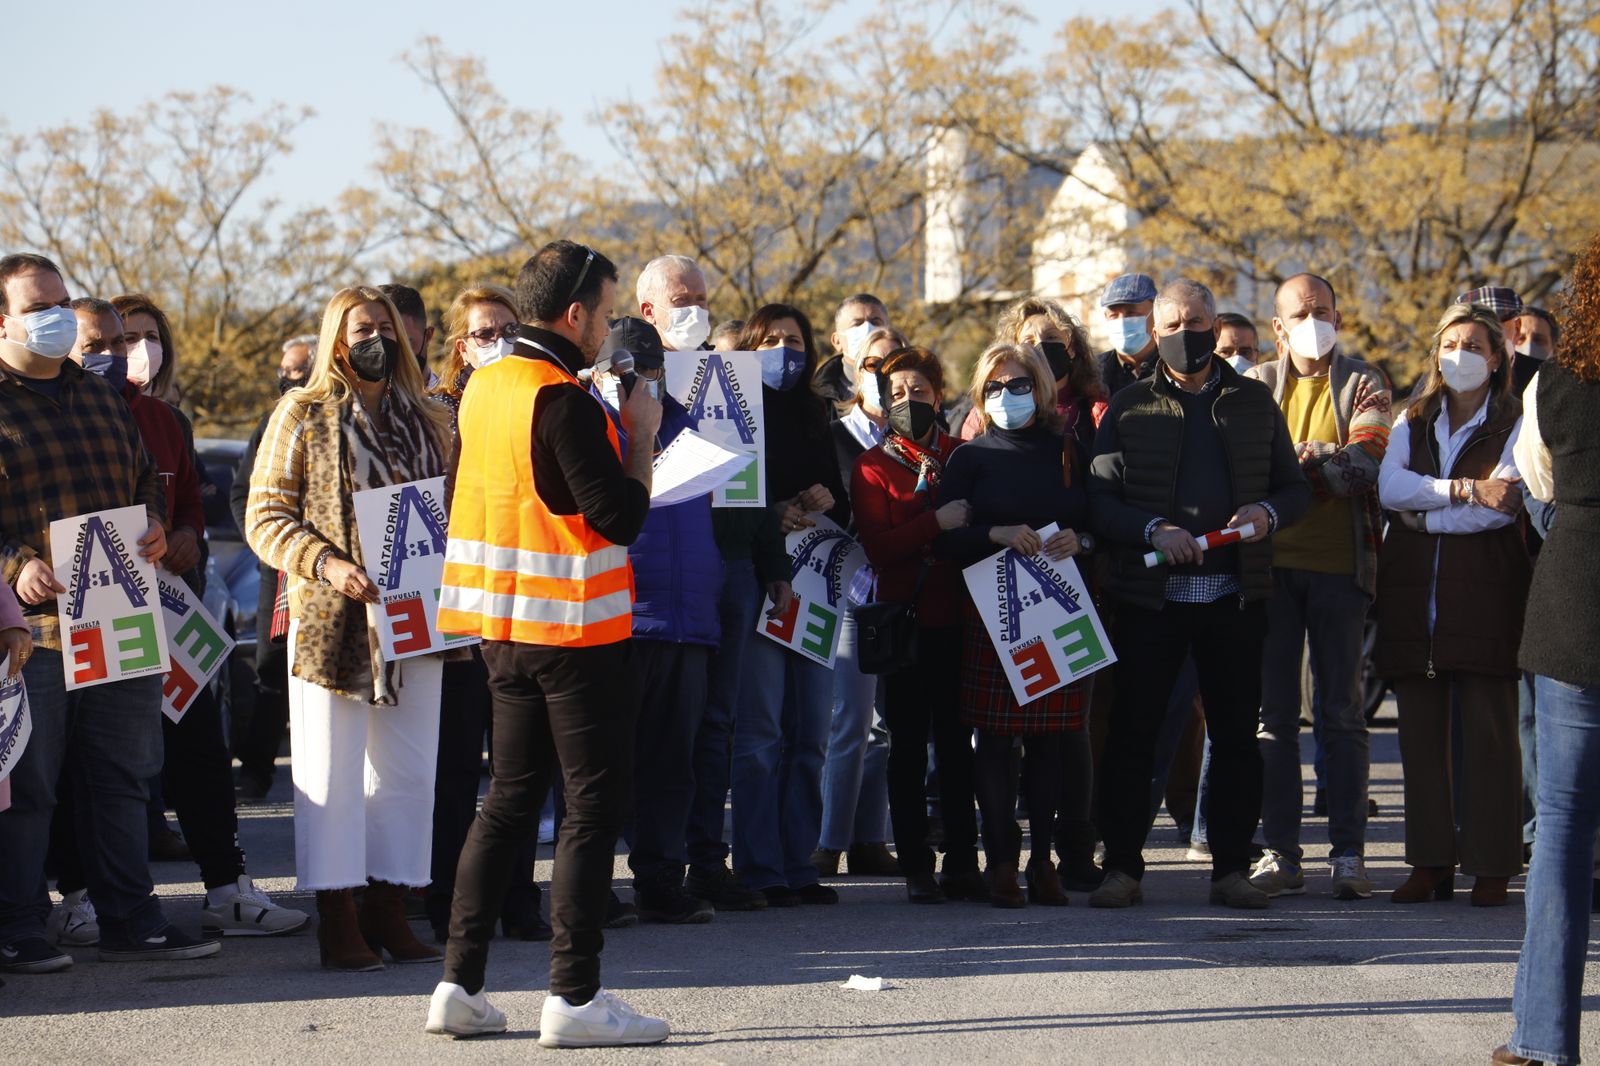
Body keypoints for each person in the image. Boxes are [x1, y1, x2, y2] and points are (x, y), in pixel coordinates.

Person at [428, 241, 669, 1047]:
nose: (607, 327)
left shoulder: (486, 385)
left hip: (500, 630)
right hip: (573, 631)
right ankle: (575, 996)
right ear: (574, 314)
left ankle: (459, 984)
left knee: (505, 802)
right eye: (604, 312)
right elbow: (619, 517)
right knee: (590, 808)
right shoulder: (557, 396)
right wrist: (638, 434)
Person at [50, 298, 308, 942]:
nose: (125, 352)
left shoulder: (166, 419)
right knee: (87, 760)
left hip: (172, 606)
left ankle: (227, 889)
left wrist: (186, 531)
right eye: (109, 340)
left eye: (138, 339)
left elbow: (187, 499)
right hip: (90, 615)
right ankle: (79, 896)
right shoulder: (66, 415)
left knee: (199, 748)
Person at [0, 254, 220, 972]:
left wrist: (154, 524)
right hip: (32, 636)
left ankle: (133, 916)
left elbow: (138, 486)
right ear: (2, 321)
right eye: (38, 306)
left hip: (118, 618)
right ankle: (20, 926)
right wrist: (13, 565)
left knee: (123, 774)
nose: (56, 315)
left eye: (61, 301)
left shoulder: (99, 398)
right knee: (29, 785)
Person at [246, 284, 452, 971]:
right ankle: (337, 916)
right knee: (330, 771)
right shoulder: (301, 413)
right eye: (364, 328)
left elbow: (453, 507)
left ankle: (390, 910)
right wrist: (327, 565)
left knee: (407, 771)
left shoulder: (428, 417)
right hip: (332, 620)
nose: (379, 340)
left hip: (415, 614)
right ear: (337, 337)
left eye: (388, 328)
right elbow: (265, 518)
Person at [1088, 277, 1310, 911]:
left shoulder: (1253, 402)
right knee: (1134, 733)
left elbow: (1293, 489)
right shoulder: (1128, 407)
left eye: (1198, 321)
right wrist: (1153, 529)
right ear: (1154, 334)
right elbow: (1100, 503)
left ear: (1215, 325)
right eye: (1175, 325)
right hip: (1149, 600)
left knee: (1238, 737)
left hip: (1234, 598)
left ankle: (1231, 869)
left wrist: (1269, 512)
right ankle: (1122, 868)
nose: (1188, 334)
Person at [1244, 273, 1393, 901]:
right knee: (1273, 718)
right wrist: (1316, 460)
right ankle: (1279, 852)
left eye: (1324, 310)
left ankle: (1349, 853)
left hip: (1341, 569)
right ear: (1277, 326)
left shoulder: (1367, 382)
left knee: (1342, 713)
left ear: (1340, 315)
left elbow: (1366, 463)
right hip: (1267, 571)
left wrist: (1293, 473)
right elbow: (1239, 469)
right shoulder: (1252, 386)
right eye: (1301, 313)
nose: (1314, 320)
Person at [1376, 301, 1529, 908]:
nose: (1459, 355)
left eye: (1473, 346)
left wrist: (1423, 515)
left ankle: (1492, 865)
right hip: (1413, 598)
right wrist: (1460, 489)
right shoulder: (1412, 419)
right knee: (1419, 736)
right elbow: (1390, 489)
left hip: (1487, 593)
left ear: (1497, 360)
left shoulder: (1518, 419)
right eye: (1450, 344)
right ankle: (1431, 863)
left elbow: (1503, 508)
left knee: (1491, 737)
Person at [936, 342, 1095, 908]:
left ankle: (1044, 861)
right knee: (997, 741)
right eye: (996, 387)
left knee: (1052, 739)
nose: (1007, 396)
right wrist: (994, 534)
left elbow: (1095, 521)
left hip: (1058, 608)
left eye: (1019, 384)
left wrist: (1082, 541)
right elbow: (946, 538)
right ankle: (1000, 860)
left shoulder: (1069, 449)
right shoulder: (969, 458)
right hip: (993, 610)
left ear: (1043, 388)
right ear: (982, 393)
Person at [1495, 231, 1600, 1066]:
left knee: (1562, 827)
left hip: (1575, 611)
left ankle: (1542, 1040)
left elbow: (1540, 488)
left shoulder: (1554, 390)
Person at [423, 285, 546, 944]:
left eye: (507, 330)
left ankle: (519, 898)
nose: (496, 341)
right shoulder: (440, 413)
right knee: (453, 767)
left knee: (519, 764)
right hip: (456, 607)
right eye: (482, 332)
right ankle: (447, 897)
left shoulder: (540, 402)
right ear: (460, 345)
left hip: (526, 603)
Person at [590, 317, 721, 925]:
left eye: (651, 370)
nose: (642, 382)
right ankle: (591, 883)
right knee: (605, 762)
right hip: (618, 617)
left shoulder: (688, 424)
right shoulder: (589, 424)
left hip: (685, 620)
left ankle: (661, 880)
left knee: (674, 760)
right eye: (627, 370)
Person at [850, 345, 983, 904]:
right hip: (905, 625)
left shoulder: (963, 457)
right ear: (883, 404)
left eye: (920, 391)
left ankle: (962, 859)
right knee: (906, 747)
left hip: (961, 620)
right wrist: (934, 522)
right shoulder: (873, 467)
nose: (909, 401)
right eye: (897, 394)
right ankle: (916, 865)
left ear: (939, 394)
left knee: (957, 746)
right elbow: (878, 549)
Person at [730, 304, 850, 907]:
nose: (784, 349)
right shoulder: (735, 412)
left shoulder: (814, 410)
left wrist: (826, 499)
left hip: (814, 582)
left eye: (794, 340)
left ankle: (798, 862)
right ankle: (756, 866)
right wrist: (773, 510)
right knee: (760, 730)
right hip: (759, 582)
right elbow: (726, 497)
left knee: (811, 732)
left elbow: (844, 506)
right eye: (770, 340)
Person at [813, 324, 907, 879]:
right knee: (850, 718)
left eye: (894, 360)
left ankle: (870, 839)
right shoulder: (832, 434)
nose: (883, 371)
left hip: (897, 591)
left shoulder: (914, 437)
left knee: (886, 725)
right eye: (873, 362)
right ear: (851, 367)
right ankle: (828, 839)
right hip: (845, 588)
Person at [230, 335, 316, 802]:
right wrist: (271, 541)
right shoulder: (271, 423)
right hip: (277, 566)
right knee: (270, 665)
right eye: (284, 371)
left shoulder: (334, 414)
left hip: (328, 564)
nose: (289, 379)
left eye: (299, 372)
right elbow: (243, 495)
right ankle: (256, 770)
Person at [962, 297, 1107, 445]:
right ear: (1014, 352)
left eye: (1051, 337)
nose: (1041, 346)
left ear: (1072, 348)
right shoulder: (990, 411)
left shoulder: (1096, 411)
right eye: (1029, 342)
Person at [815, 294, 891, 407]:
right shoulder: (817, 398)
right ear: (837, 341)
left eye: (875, 322)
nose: (867, 329)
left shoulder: (909, 386)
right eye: (857, 324)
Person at [1095, 273, 1160, 398]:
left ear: (1156, 313)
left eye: (1132, 313)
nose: (1122, 322)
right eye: (1113, 316)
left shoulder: (1174, 368)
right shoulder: (1093, 373)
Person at [635, 255, 711, 353]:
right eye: (681, 300)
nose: (695, 309)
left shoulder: (728, 364)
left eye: (700, 299)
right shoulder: (633, 367)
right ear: (649, 312)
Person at [380, 282, 435, 376]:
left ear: (428, 336)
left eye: (405, 343)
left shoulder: (458, 390)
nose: (396, 352)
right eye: (385, 343)